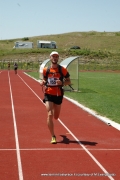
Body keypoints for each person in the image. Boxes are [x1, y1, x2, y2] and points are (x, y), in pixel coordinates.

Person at [40, 51, 71, 144]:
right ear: (50, 58)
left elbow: (69, 81)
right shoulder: (46, 70)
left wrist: (62, 83)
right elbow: (45, 79)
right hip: (48, 94)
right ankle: (53, 136)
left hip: (58, 95)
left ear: (58, 58)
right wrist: (43, 82)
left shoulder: (63, 70)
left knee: (56, 117)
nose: (55, 58)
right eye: (53, 56)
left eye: (56, 57)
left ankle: (60, 135)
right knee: (50, 114)